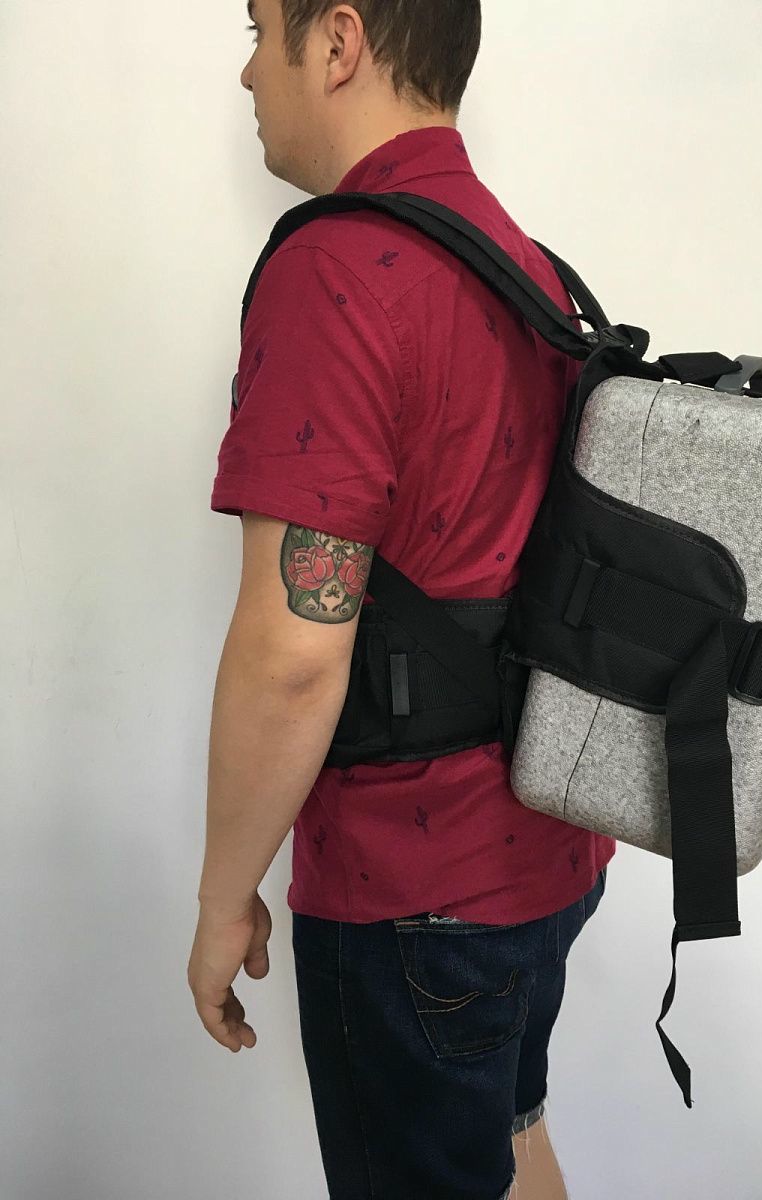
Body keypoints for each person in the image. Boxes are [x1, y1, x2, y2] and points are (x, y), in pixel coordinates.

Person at [188, 3, 615, 1197]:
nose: (246, 72)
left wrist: (224, 899)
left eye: (257, 30)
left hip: (413, 894)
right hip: (547, 848)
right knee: (513, 1138)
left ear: (337, 42)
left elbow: (294, 655)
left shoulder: (334, 270)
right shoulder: (517, 257)